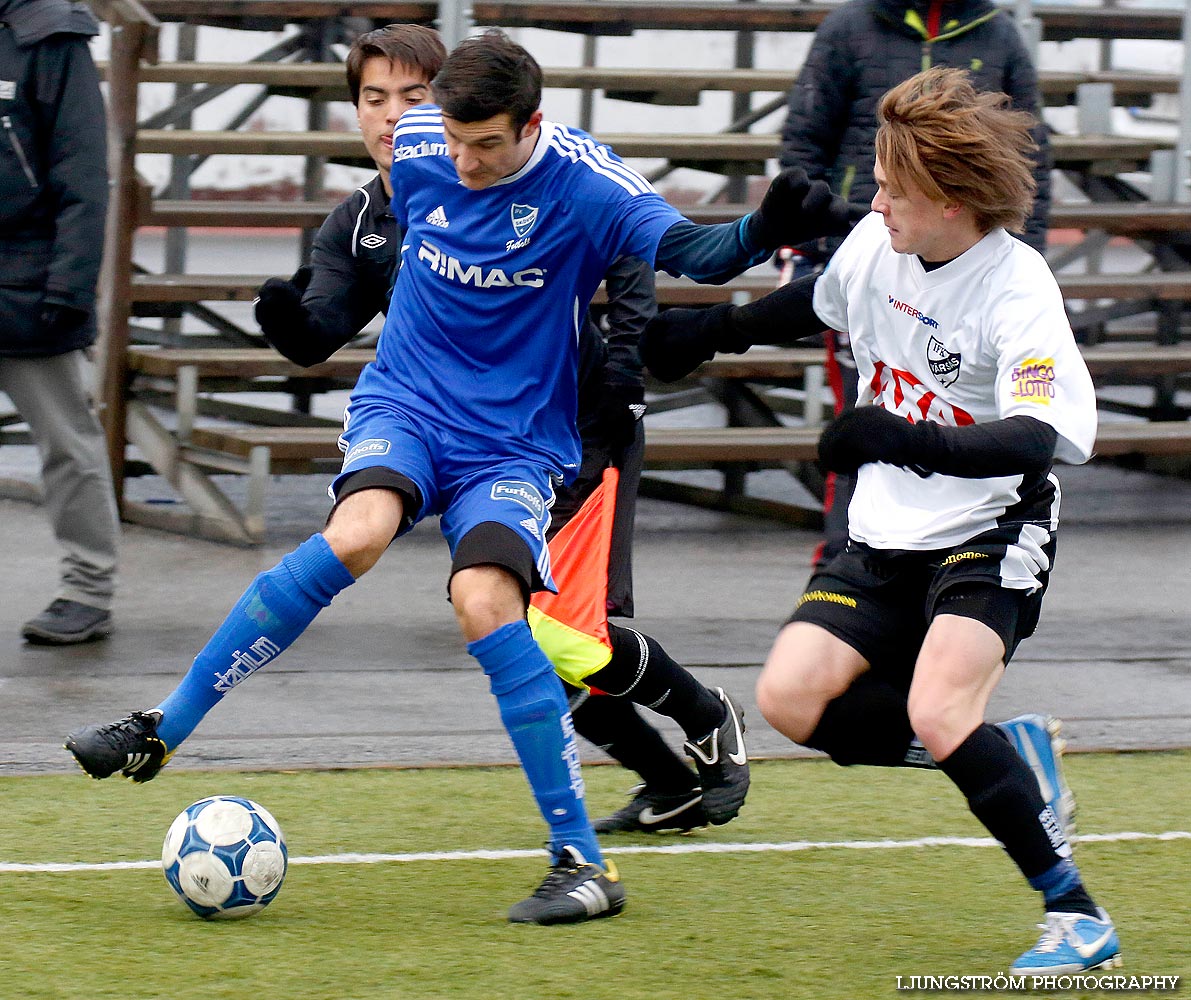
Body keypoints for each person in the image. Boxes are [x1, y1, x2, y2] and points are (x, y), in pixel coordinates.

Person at [65, 29, 854, 925]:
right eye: (453, 139)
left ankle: (581, 865)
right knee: (354, 536)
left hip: (517, 441)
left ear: (533, 124)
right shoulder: (420, 144)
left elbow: (690, 251)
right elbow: (347, 280)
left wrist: (763, 230)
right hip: (405, 406)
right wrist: (298, 319)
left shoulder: (587, 185)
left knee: (492, 605)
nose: (465, 163)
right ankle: (160, 731)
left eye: (487, 144)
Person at [640, 67, 1119, 973]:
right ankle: (1006, 757)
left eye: (895, 184)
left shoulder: (1016, 288)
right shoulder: (880, 243)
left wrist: (904, 437)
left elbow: (1038, 434)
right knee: (788, 700)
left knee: (939, 709)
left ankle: (1076, 916)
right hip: (884, 532)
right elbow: (813, 302)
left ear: (949, 198)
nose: (878, 198)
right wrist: (707, 333)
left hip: (990, 529)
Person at [251, 23, 739, 837]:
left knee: (555, 631)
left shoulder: (545, 182)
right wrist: (290, 328)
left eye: (413, 96)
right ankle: (669, 780)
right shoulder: (365, 218)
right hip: (466, 441)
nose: (391, 114)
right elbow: (322, 328)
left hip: (576, 422)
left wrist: (624, 363)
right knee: (527, 631)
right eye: (374, 97)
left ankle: (704, 719)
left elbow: (626, 246)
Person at [778, 0, 1052, 568]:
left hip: (961, 265)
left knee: (949, 421)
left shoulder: (999, 33)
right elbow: (806, 136)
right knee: (866, 413)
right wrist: (807, 241)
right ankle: (843, 564)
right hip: (869, 256)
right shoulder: (848, 27)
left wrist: (1027, 257)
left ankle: (955, 565)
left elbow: (1029, 156)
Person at [0, 0, 120, 645]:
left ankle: (87, 590)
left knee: (67, 447)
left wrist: (71, 288)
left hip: (27, 282)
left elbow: (83, 173)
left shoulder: (50, 38)